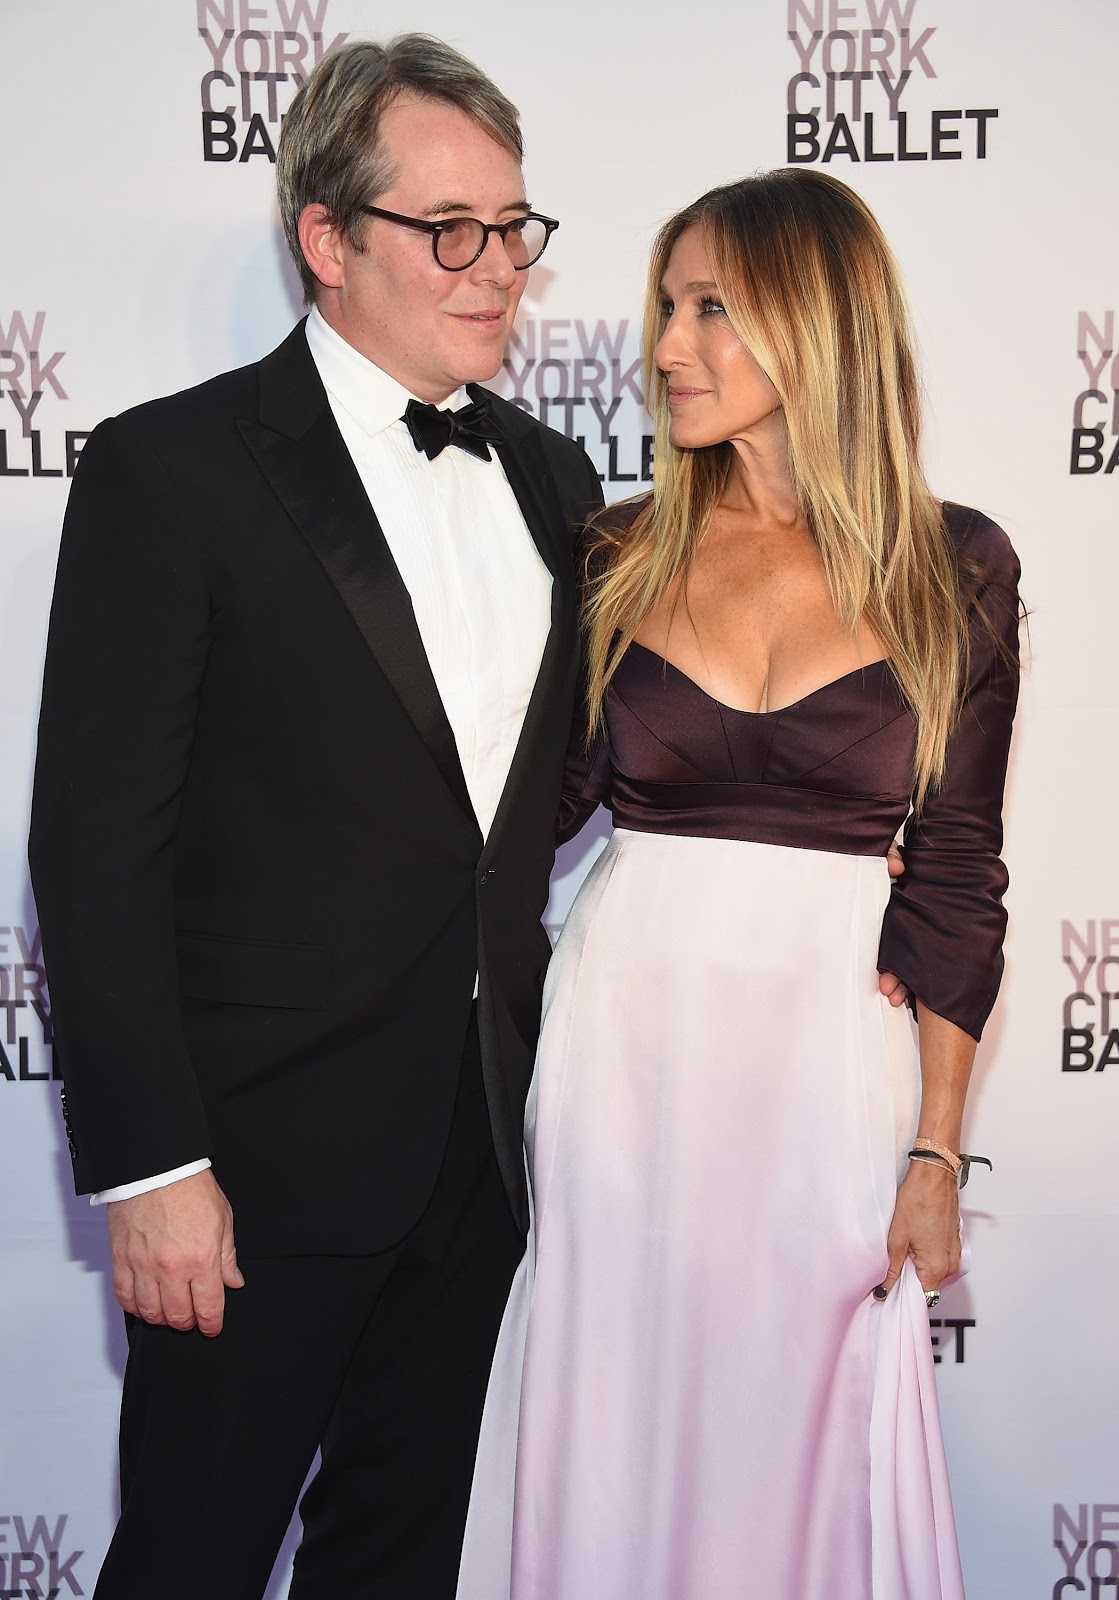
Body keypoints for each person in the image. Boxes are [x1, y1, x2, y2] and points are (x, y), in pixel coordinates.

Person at [28, 35, 605, 1600]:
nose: (496, 269)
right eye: (449, 230)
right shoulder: (174, 469)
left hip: (487, 1157)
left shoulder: (558, 482)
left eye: (514, 226)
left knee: (402, 1564)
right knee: (193, 1564)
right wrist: (149, 1170)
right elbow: (94, 843)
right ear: (329, 241)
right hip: (253, 1175)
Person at [456, 168, 1021, 1600]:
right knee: (616, 1417)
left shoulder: (953, 566)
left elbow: (956, 876)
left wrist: (936, 1153)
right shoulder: (620, 552)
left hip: (827, 1070)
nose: (666, 344)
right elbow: (528, 823)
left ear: (817, 322)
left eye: (711, 306)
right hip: (620, 1064)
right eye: (665, 305)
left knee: (801, 1426)